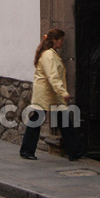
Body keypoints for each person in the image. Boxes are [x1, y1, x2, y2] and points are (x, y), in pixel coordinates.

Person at [19, 28, 85, 161]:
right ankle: (27, 150)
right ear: (55, 40)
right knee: (38, 120)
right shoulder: (49, 55)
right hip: (46, 94)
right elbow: (53, 76)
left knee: (61, 120)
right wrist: (63, 92)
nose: (62, 42)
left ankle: (74, 150)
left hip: (50, 94)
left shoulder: (50, 53)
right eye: (61, 40)